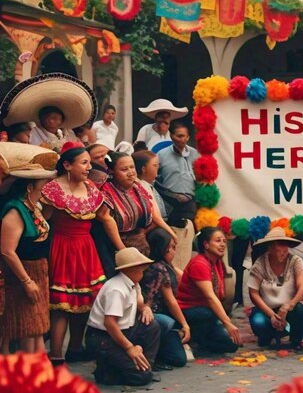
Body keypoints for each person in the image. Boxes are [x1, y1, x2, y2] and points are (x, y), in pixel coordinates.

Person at [41, 142, 125, 365]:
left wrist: (122, 248)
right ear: (67, 165)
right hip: (64, 246)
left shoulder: (90, 188)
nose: (89, 167)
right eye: (84, 163)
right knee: (62, 305)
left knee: (85, 301)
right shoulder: (53, 189)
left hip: (86, 247)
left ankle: (76, 349)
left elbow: (105, 218)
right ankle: (56, 354)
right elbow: (44, 219)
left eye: (89, 162)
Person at [0, 144, 57, 353]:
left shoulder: (34, 207)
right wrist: (27, 281)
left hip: (38, 272)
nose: (46, 187)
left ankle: (38, 376)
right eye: (43, 183)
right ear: (29, 187)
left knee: (37, 328)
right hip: (23, 273)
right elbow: (7, 250)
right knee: (27, 327)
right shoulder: (15, 211)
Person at [85, 248, 161, 386]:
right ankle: (111, 371)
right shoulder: (116, 289)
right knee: (141, 378)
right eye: (140, 268)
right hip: (102, 337)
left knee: (152, 326)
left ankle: (144, 365)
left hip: (124, 330)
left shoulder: (133, 283)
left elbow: (139, 303)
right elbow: (110, 323)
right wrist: (129, 348)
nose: (143, 271)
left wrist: (145, 308)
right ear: (132, 269)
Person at [177, 227, 241, 354]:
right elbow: (210, 297)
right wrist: (227, 322)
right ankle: (190, 339)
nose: (222, 244)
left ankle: (200, 342)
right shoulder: (199, 263)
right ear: (206, 244)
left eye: (224, 241)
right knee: (209, 313)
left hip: (207, 312)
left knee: (231, 345)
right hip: (188, 310)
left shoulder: (216, 262)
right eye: (218, 241)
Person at [102, 152, 176, 256]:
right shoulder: (106, 191)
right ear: (111, 171)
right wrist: (123, 251)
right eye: (124, 169)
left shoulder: (137, 186)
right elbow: (108, 222)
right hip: (118, 246)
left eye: (132, 167)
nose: (131, 172)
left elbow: (153, 213)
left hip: (142, 241)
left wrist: (172, 234)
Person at [247, 227, 303, 352]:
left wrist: (288, 306)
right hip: (266, 308)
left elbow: (302, 287)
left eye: (284, 245)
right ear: (270, 248)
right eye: (277, 246)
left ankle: (295, 340)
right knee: (258, 322)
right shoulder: (260, 264)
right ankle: (268, 335)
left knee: (300, 310)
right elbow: (253, 293)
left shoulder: (295, 261)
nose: (282, 250)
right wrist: (271, 314)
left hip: (288, 307)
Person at [141, 228, 190, 369]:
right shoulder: (158, 268)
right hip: (153, 317)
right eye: (172, 248)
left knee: (179, 358)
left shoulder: (165, 265)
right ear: (163, 249)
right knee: (178, 359)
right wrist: (185, 325)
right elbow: (170, 300)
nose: (174, 252)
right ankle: (153, 356)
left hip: (164, 315)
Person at [155, 120, 199, 228]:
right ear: (171, 136)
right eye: (179, 136)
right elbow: (153, 180)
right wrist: (171, 195)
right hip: (170, 205)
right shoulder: (161, 155)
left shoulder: (195, 154)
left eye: (185, 136)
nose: (183, 139)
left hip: (191, 205)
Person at [133, 150, 168, 218]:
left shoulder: (150, 184)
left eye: (158, 165)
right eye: (154, 165)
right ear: (143, 168)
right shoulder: (140, 187)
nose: (157, 168)